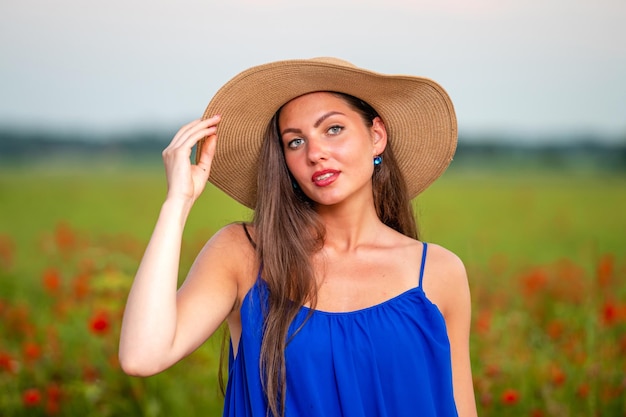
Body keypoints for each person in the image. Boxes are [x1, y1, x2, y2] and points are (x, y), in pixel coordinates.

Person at [119, 57, 478, 417]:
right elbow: (142, 355)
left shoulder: (438, 272)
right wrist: (177, 203)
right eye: (295, 142)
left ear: (376, 136)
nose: (315, 153)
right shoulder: (244, 253)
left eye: (333, 129)